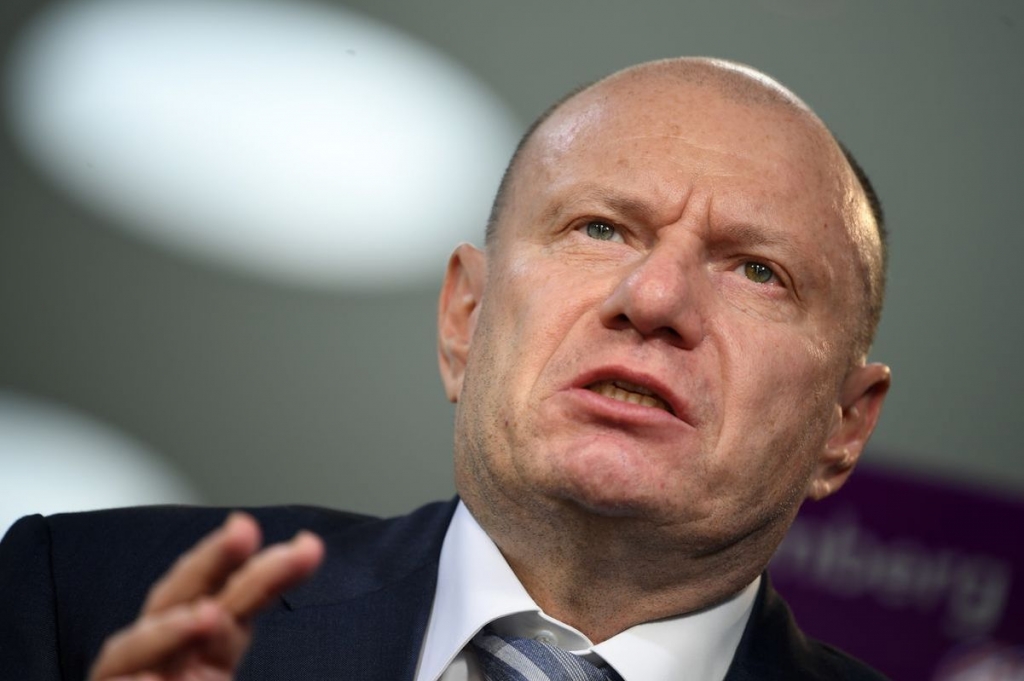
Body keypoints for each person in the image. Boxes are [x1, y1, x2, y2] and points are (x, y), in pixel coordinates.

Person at [0, 56, 892, 680]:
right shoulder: (76, 598)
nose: (654, 297)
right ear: (465, 317)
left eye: (757, 271)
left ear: (844, 427)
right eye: (599, 227)